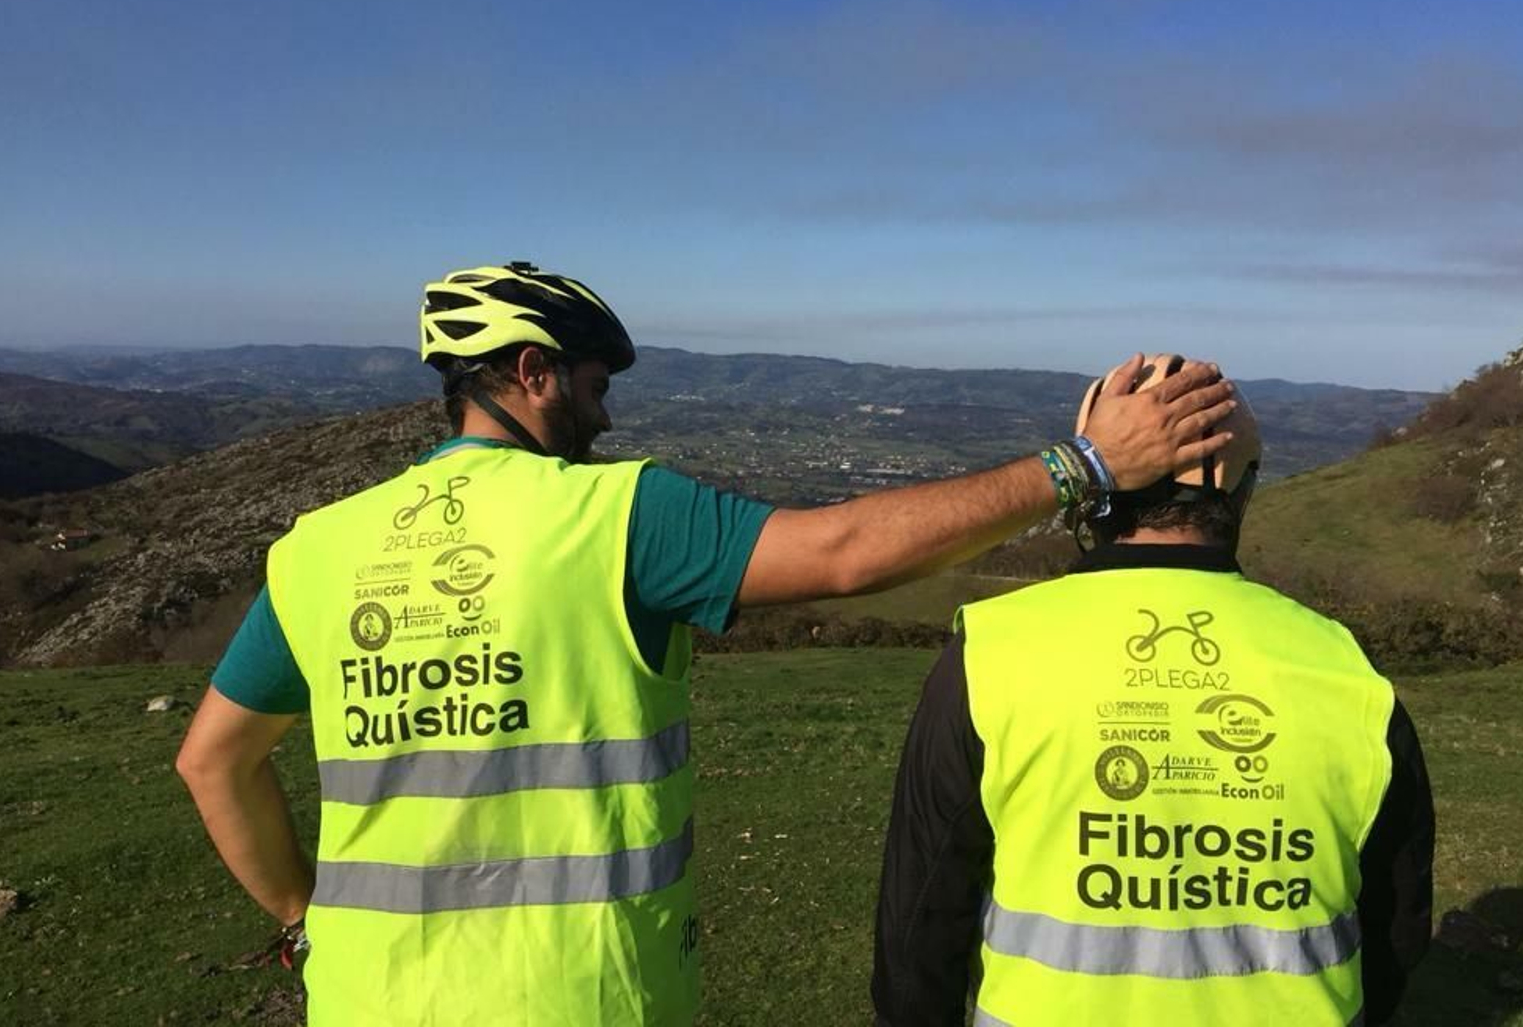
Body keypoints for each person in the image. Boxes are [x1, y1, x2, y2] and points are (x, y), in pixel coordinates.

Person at [175, 267, 1236, 1027]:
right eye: (595, 385)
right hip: (581, 998)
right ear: (532, 371)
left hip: (359, 999)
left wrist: (304, 914)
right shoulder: (614, 515)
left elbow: (212, 761)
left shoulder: (317, 550)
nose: (604, 413)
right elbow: (846, 553)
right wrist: (1084, 464)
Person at [871, 354, 1435, 1026]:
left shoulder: (992, 652)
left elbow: (921, 920)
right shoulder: (1345, 670)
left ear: (1090, 491)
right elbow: (1396, 929)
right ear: (1244, 489)